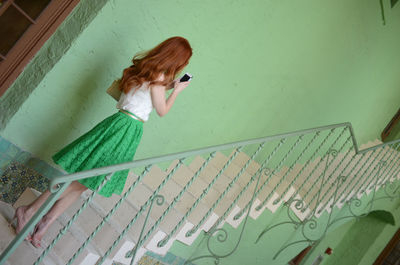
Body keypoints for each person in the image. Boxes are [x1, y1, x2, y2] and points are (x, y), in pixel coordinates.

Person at [12, 36, 193, 247]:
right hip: (126, 130)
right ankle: (29, 211)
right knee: (80, 179)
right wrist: (177, 92)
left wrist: (169, 86)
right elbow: (162, 110)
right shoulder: (159, 80)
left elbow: (146, 94)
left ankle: (44, 223)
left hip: (118, 123)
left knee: (84, 183)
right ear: (175, 59)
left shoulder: (144, 71)